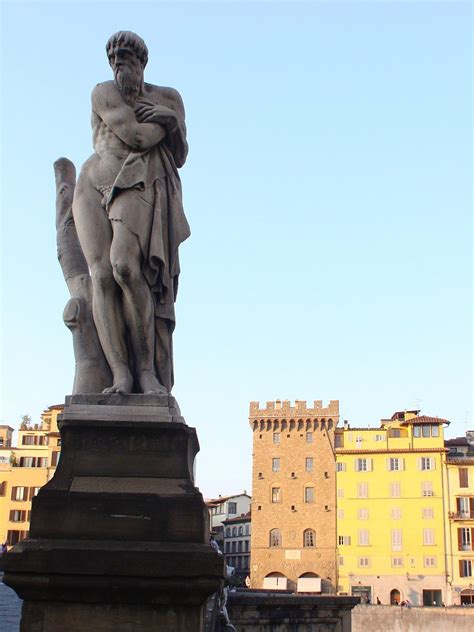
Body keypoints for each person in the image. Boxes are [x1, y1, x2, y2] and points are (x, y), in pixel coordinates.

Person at [73, 31, 190, 394]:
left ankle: (146, 372)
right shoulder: (103, 92)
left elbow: (181, 154)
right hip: (92, 183)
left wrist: (171, 120)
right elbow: (135, 136)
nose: (118, 63)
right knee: (102, 276)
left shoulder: (169, 98)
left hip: (138, 179)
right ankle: (120, 374)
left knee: (125, 265)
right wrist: (164, 124)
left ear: (141, 61)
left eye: (125, 56)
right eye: (113, 58)